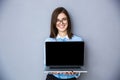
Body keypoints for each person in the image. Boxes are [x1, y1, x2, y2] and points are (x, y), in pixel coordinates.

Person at [45, 7, 83, 80]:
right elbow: (46, 66)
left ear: (68, 20)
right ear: (54, 22)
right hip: (52, 78)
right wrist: (52, 71)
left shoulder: (78, 40)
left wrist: (75, 72)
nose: (61, 23)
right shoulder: (49, 41)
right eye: (58, 20)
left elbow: (79, 68)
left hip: (70, 78)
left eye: (64, 19)